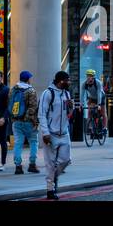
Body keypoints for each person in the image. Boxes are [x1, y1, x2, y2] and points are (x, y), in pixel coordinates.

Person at [38, 71, 73, 200]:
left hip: (64, 133)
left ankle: (53, 176)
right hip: (51, 134)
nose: (69, 83)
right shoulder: (48, 94)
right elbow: (42, 114)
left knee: (66, 160)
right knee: (50, 163)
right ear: (60, 81)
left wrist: (71, 108)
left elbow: (68, 114)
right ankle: (50, 189)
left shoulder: (66, 93)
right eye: (67, 80)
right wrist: (45, 133)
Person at [8, 71, 39, 175]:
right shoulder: (31, 91)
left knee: (18, 143)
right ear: (28, 79)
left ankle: (18, 166)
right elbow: (33, 108)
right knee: (33, 142)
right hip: (28, 122)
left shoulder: (13, 90)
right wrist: (33, 121)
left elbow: (10, 104)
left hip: (16, 121)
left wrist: (15, 118)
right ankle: (32, 164)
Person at [80, 69, 106, 138]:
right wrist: (81, 104)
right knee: (90, 111)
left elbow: (99, 94)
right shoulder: (84, 84)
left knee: (103, 113)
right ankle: (90, 127)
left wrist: (99, 104)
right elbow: (82, 94)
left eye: (91, 76)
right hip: (92, 98)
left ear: (93, 77)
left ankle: (105, 128)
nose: (89, 77)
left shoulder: (98, 83)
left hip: (101, 97)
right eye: (88, 76)